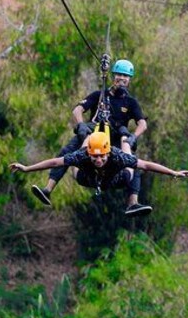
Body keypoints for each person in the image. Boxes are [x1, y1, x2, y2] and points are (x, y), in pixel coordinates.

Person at [31, 59, 148, 207]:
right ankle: (48, 189)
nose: (122, 79)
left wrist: (133, 137)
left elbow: (142, 124)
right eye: (119, 75)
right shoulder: (99, 95)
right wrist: (81, 125)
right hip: (93, 133)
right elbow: (77, 110)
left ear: (130, 79)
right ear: (113, 76)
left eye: (126, 76)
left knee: (134, 163)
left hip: (116, 138)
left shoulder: (131, 103)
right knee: (67, 151)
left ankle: (133, 203)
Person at [11, 132, 188, 217]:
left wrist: (173, 173)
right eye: (94, 156)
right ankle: (86, 138)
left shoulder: (116, 156)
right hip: (88, 179)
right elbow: (54, 162)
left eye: (101, 156)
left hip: (116, 180)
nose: (98, 159)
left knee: (132, 164)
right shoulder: (84, 155)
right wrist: (27, 168)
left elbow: (146, 164)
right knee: (74, 160)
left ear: (107, 153)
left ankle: (132, 203)